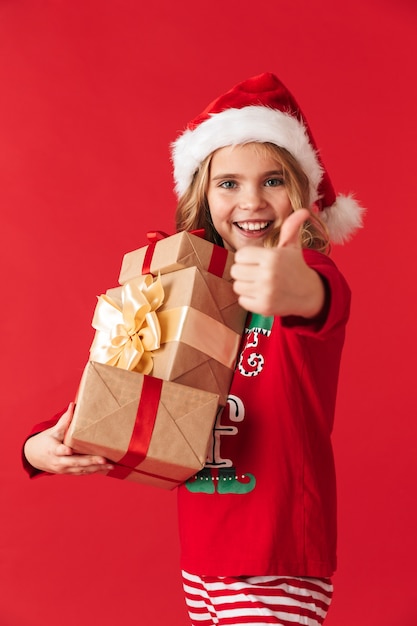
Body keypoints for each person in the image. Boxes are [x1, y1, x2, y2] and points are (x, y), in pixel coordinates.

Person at [23, 72, 364, 625]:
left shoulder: (308, 273)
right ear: (203, 196)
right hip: (203, 554)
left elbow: (321, 298)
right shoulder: (194, 286)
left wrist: (296, 287)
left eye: (273, 180)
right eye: (228, 183)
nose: (251, 200)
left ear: (300, 190)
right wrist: (38, 443)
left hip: (275, 556)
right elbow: (130, 377)